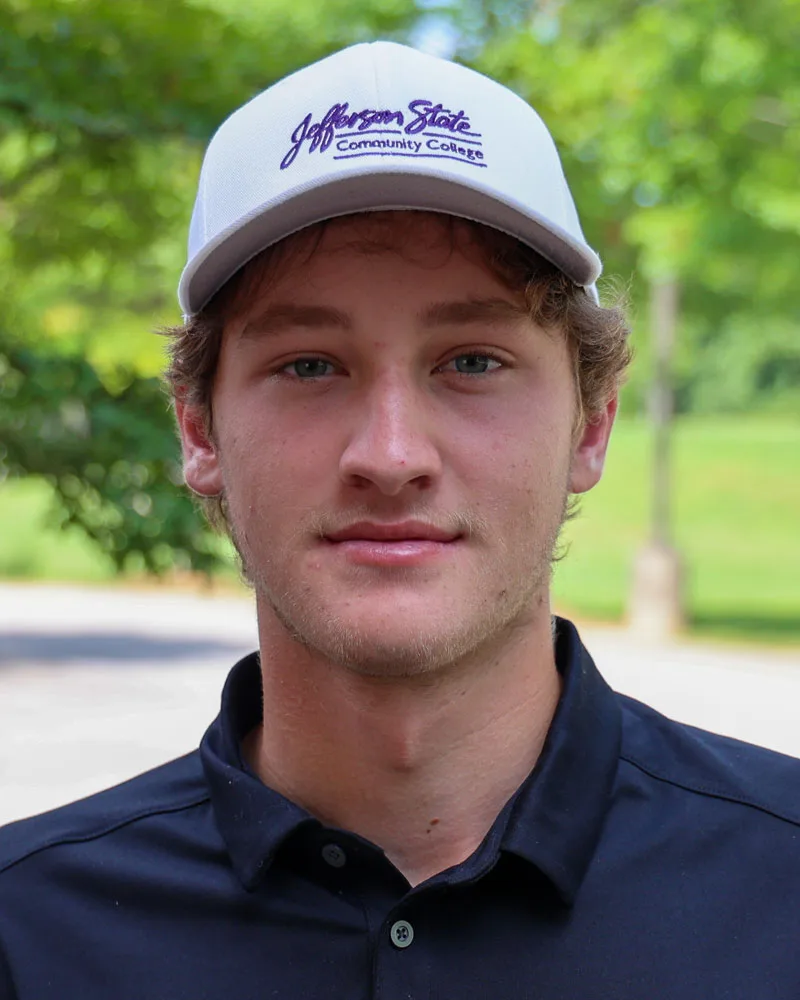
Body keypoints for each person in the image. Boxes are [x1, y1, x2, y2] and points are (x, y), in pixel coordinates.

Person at [1, 40, 799, 1000]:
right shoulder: (30, 936)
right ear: (200, 429)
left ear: (591, 422)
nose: (389, 456)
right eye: (308, 365)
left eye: (471, 362)